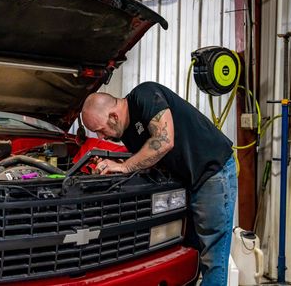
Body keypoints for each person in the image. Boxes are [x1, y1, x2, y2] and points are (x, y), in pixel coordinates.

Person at [81, 81, 237, 286]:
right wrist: (116, 165)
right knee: (188, 249)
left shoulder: (144, 95)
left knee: (213, 254)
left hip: (211, 172)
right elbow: (149, 160)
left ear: (113, 116)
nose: (101, 137)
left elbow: (164, 141)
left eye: (100, 130)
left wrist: (125, 166)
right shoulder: (127, 132)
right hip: (185, 183)